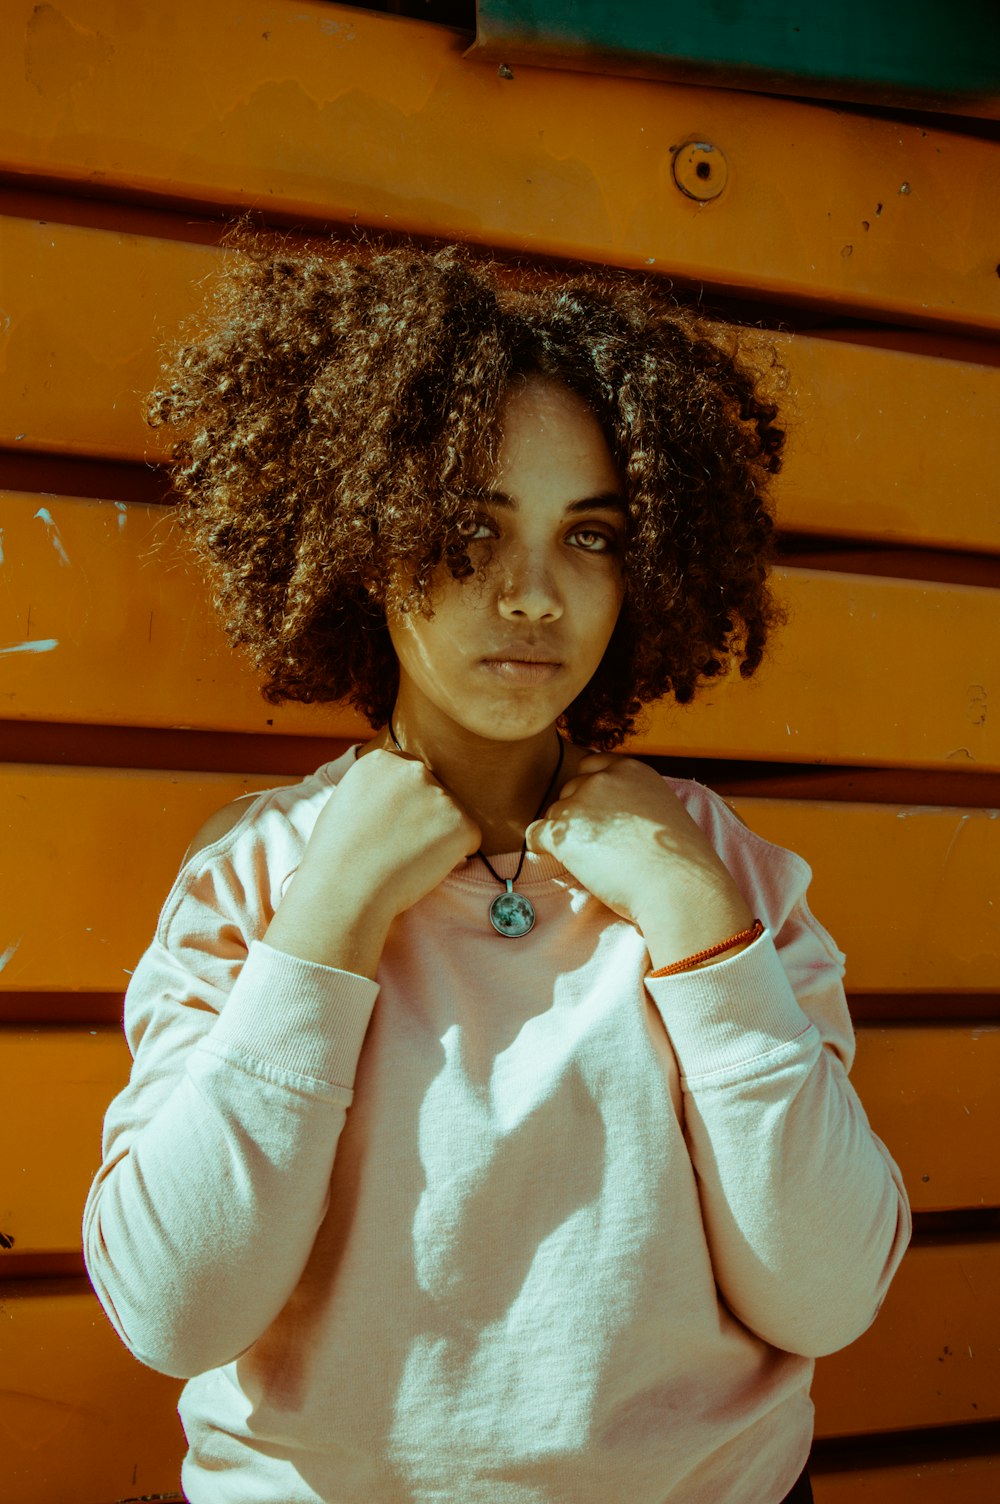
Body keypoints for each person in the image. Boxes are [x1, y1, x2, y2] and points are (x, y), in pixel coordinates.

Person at [84, 237, 911, 1504]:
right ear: (368, 538)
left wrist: (696, 920)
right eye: (470, 528)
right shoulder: (255, 878)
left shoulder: (723, 867)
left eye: (590, 535)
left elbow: (827, 1291)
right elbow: (174, 1312)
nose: (532, 593)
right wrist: (328, 919)